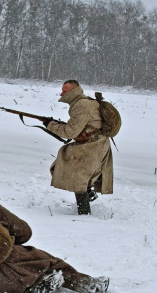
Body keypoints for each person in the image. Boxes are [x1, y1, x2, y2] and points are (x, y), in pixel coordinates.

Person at [44, 80, 113, 215]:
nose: (61, 93)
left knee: (77, 177)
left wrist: (50, 125)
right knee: (78, 176)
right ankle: (88, 197)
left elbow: (70, 132)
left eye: (65, 90)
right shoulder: (84, 102)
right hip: (94, 144)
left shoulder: (81, 105)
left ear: (73, 91)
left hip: (92, 146)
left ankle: (84, 213)